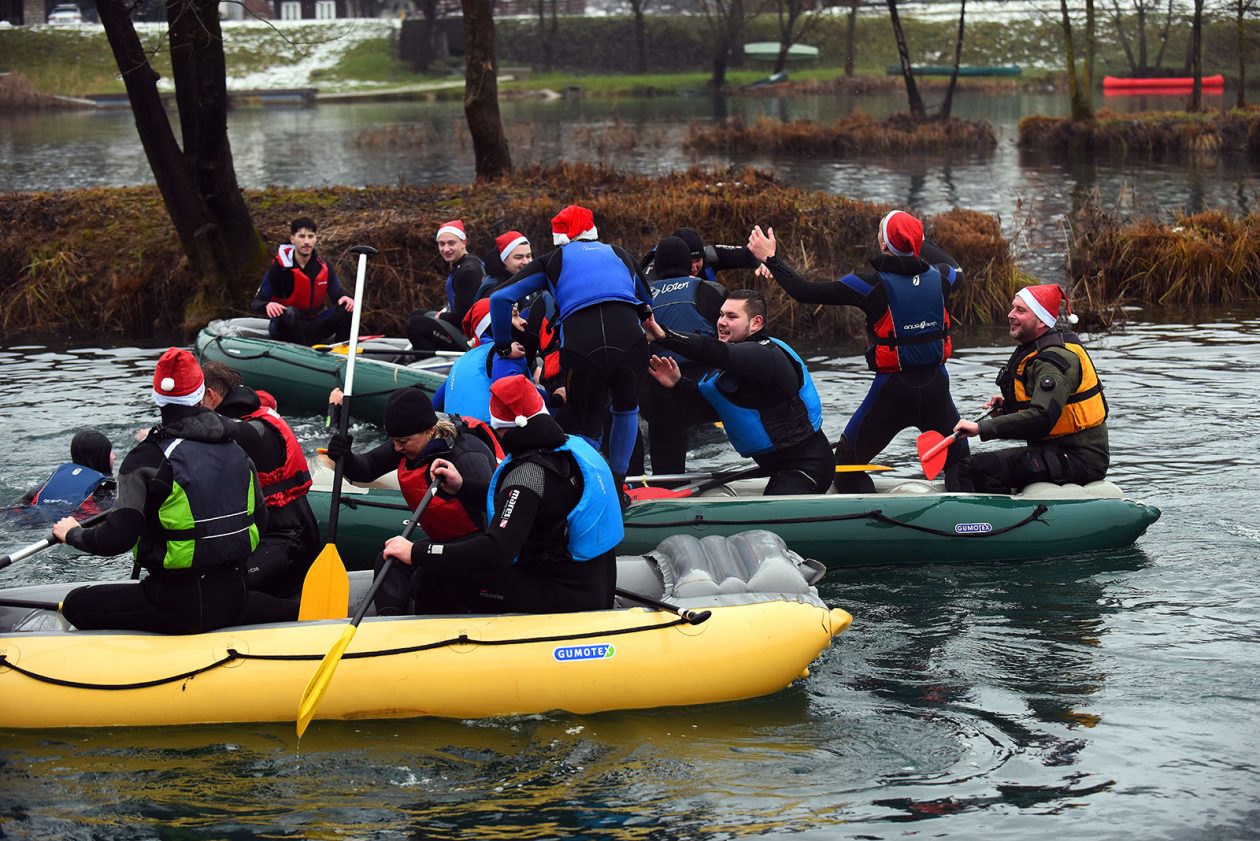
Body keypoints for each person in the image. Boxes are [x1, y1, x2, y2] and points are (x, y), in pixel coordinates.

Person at [748, 211, 968, 493]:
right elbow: (956, 266)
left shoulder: (868, 285)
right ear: (916, 241)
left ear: (884, 245)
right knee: (961, 465)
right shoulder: (943, 278)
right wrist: (917, 240)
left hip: (892, 393)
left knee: (845, 470)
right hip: (937, 389)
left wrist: (771, 259)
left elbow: (804, 291)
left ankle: (873, 522)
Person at [50, 348, 267, 634]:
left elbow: (115, 539)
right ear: (202, 394)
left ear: (156, 397)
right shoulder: (237, 450)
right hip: (235, 594)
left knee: (75, 604)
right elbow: (261, 521)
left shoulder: (145, 459)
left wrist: (72, 534)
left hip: (177, 605)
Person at [380, 375, 620, 615]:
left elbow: (495, 552)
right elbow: (527, 505)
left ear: (504, 428)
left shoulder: (528, 474)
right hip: (592, 583)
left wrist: (417, 552)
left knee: (432, 576)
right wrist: (462, 487)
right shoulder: (571, 448)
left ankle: (426, 647)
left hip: (561, 596)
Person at [489, 205, 654, 490]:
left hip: (582, 347)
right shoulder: (620, 254)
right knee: (626, 411)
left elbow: (499, 299)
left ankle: (586, 488)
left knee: (588, 424)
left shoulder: (552, 260)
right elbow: (645, 297)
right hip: (630, 341)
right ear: (594, 232)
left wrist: (503, 346)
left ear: (559, 238)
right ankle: (617, 487)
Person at [325, 384, 501, 615]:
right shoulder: (408, 440)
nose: (396, 448)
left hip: (476, 547)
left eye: (403, 441)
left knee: (429, 573)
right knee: (388, 559)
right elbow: (366, 469)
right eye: (394, 440)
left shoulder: (467, 456)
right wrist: (344, 456)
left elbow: (495, 514)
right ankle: (390, 624)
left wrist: (460, 488)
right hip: (442, 541)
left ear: (429, 431)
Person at [645, 289, 832, 496]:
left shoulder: (765, 356)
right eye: (721, 314)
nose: (722, 322)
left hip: (807, 469)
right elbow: (709, 411)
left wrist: (665, 336)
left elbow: (716, 351)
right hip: (776, 468)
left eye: (732, 316)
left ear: (756, 323)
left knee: (764, 529)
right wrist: (677, 383)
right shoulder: (730, 371)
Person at [954, 284, 1109, 493]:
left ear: (1041, 320)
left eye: (1020, 310)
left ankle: (986, 524)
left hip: (1079, 458)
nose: (1010, 315)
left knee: (973, 470)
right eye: (1012, 308)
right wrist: (1008, 408)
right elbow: (1047, 407)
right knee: (965, 467)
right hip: (1058, 450)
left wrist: (981, 429)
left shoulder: (1052, 362)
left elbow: (1043, 417)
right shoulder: (1038, 350)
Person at [200, 361, 320, 599]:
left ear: (211, 396)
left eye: (195, 400)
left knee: (217, 595)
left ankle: (296, 613)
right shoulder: (248, 416)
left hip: (286, 542)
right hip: (276, 535)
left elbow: (210, 431)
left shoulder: (251, 430)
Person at [641, 235, 727, 474]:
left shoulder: (640, 296)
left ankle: (665, 488)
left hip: (658, 395)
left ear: (656, 267)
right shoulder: (711, 290)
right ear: (690, 265)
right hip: (704, 390)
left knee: (667, 472)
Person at [251, 216, 354, 345]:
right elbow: (255, 303)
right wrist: (268, 305)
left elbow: (338, 296)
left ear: (315, 239)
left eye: (311, 236)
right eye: (302, 236)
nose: (307, 242)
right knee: (290, 313)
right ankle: (301, 355)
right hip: (285, 328)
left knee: (347, 307)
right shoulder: (279, 268)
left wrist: (346, 298)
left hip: (313, 325)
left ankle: (343, 354)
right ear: (292, 239)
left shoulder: (324, 267)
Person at [405, 219, 487, 356]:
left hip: (470, 337)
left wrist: (442, 316)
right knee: (417, 314)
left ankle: (426, 362)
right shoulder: (465, 263)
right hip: (460, 325)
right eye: (441, 244)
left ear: (464, 243)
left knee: (415, 324)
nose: (446, 249)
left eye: (451, 243)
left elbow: (463, 317)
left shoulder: (468, 271)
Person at [13, 430, 116, 522]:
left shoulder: (48, 483)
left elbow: (16, 507)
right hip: (71, 524)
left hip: (31, 518)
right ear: (101, 458)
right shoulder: (104, 489)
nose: (114, 456)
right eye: (111, 452)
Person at [641, 226, 765, 283]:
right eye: (690, 262)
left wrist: (765, 261)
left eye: (698, 260)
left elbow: (749, 254)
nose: (694, 268)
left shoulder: (710, 255)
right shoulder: (657, 266)